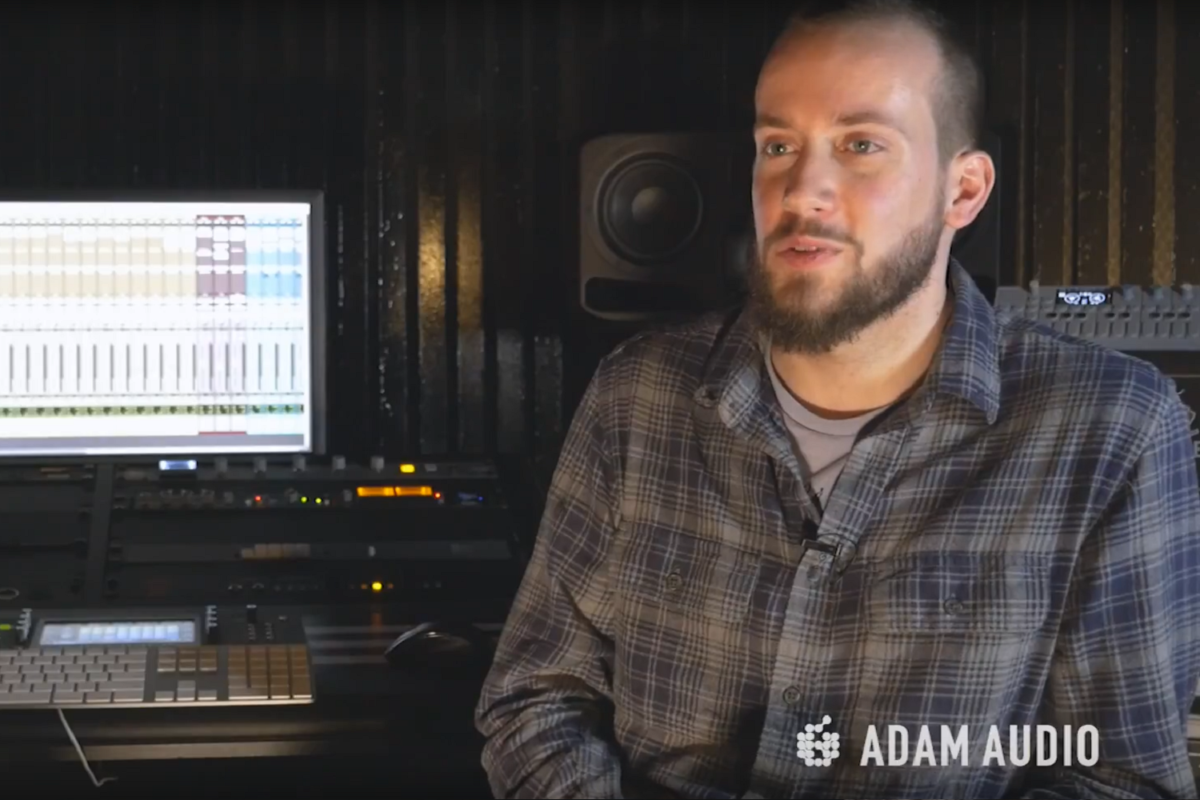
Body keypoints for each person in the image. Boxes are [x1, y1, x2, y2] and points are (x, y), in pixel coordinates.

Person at [475, 0, 1200, 797]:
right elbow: (537, 699)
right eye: (777, 145)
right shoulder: (636, 395)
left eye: (861, 145)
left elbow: (1122, 779)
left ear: (963, 190)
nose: (804, 189)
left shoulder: (1111, 430)